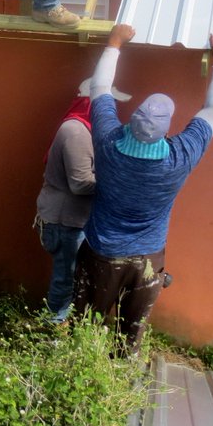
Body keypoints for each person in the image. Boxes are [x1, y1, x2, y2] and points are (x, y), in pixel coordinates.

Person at [71, 23, 213, 354]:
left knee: (85, 331)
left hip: (100, 255)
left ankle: (81, 386)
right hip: (147, 262)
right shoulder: (179, 157)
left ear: (132, 119)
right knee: (128, 340)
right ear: (165, 130)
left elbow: (101, 87)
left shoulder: (107, 140)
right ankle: (122, 389)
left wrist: (115, 42)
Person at [34, 78, 130, 321]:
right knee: (67, 280)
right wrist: (119, 184)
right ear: (91, 104)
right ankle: (52, 330)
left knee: (74, 277)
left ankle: (60, 326)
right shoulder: (76, 132)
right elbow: (80, 184)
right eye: (108, 104)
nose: (113, 110)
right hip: (65, 221)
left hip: (73, 219)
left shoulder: (87, 129)